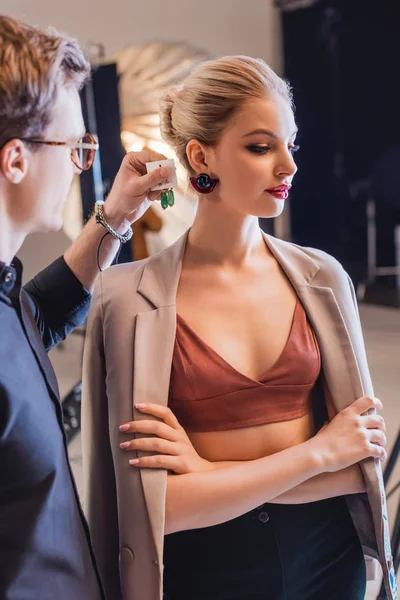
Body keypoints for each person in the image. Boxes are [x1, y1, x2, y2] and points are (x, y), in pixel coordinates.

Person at [82, 56, 397, 600]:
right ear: (201, 156)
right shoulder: (125, 298)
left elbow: (360, 465)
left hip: (328, 557)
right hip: (201, 569)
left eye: (290, 145)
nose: (288, 167)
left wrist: (205, 472)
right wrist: (316, 453)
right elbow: (157, 509)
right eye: (260, 146)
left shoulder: (322, 278)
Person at [0, 15, 170, 600]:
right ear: (15, 159)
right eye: (73, 146)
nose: (80, 165)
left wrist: (116, 216)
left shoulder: (5, 295)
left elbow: (32, 323)